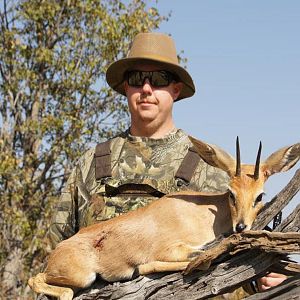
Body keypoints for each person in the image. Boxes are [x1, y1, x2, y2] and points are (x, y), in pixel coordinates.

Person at [48, 32, 286, 293]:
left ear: (176, 89)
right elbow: (57, 250)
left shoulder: (214, 171)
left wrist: (260, 279)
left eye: (159, 79)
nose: (147, 89)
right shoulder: (92, 163)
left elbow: (234, 262)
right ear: (126, 87)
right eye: (137, 79)